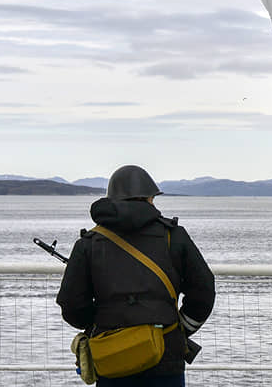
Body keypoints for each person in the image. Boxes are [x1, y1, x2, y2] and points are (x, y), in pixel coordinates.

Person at [57, 165, 215, 386]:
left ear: (112, 199)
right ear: (149, 198)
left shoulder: (88, 244)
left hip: (111, 357)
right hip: (165, 356)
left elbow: (71, 304)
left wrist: (98, 326)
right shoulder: (174, 236)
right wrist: (182, 329)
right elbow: (204, 291)